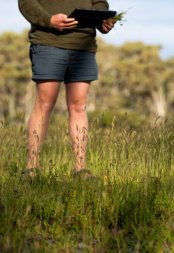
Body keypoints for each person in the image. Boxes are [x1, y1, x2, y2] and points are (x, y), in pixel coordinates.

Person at [18, 0, 116, 178]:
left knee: (79, 106)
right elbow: (26, 2)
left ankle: (80, 169)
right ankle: (31, 168)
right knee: (44, 104)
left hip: (83, 46)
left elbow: (100, 2)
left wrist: (101, 19)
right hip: (48, 42)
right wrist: (49, 20)